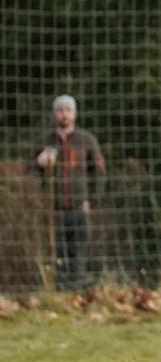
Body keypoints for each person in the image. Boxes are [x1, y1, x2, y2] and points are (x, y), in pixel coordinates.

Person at [33, 95, 106, 290]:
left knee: (79, 251)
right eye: (60, 110)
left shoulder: (87, 140)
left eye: (68, 110)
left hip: (79, 207)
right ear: (54, 114)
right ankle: (59, 292)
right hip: (53, 209)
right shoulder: (45, 141)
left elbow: (99, 173)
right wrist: (39, 164)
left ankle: (78, 290)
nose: (64, 114)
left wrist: (91, 200)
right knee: (57, 252)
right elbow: (30, 172)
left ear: (74, 114)